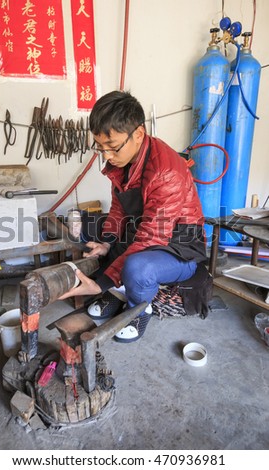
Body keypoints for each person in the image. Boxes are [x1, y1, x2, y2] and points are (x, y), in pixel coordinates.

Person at [59, 90, 207, 343]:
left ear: (138, 134)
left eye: (113, 147)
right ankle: (119, 294)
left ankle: (140, 309)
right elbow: (118, 209)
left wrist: (102, 282)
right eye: (100, 148)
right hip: (147, 234)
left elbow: (151, 237)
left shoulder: (166, 172)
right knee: (98, 232)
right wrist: (106, 242)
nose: (106, 155)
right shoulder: (123, 164)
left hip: (179, 247)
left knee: (138, 267)